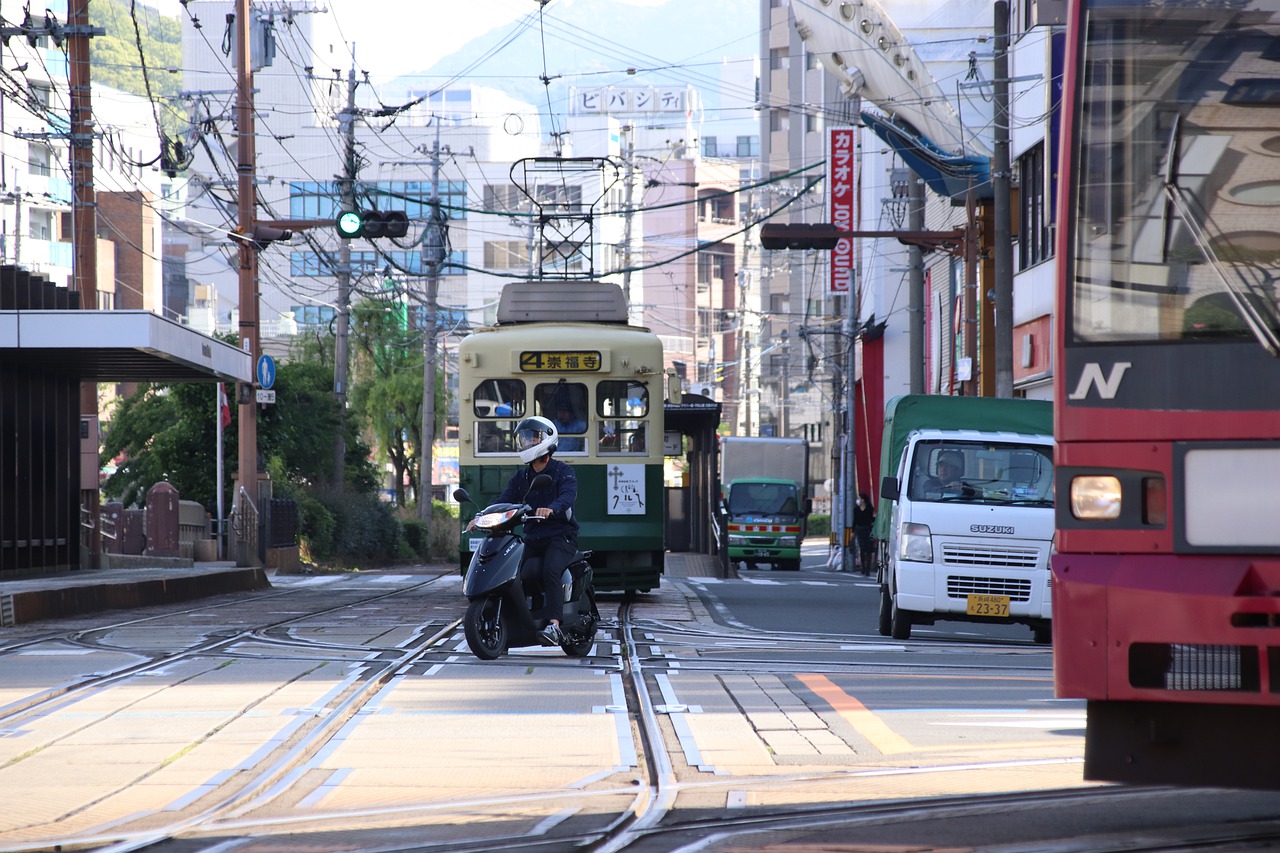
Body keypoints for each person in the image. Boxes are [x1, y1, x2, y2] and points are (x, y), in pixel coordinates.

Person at [492, 415, 579, 645]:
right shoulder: (522, 477)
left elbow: (567, 497)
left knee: (551, 569)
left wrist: (551, 509)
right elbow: (505, 499)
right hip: (532, 538)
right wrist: (482, 516)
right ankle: (511, 624)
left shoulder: (564, 472)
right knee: (508, 571)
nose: (527, 443)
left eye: (532, 438)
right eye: (525, 439)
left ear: (547, 440)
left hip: (561, 537)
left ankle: (554, 625)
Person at [853, 492, 876, 576]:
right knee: (862, 549)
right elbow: (854, 521)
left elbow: (871, 519)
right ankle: (863, 566)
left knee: (869, 550)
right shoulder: (856, 509)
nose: (858, 500)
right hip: (859, 530)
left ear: (863, 499)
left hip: (868, 529)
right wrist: (852, 532)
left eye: (859, 498)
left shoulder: (870, 508)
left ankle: (868, 569)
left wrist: (875, 519)